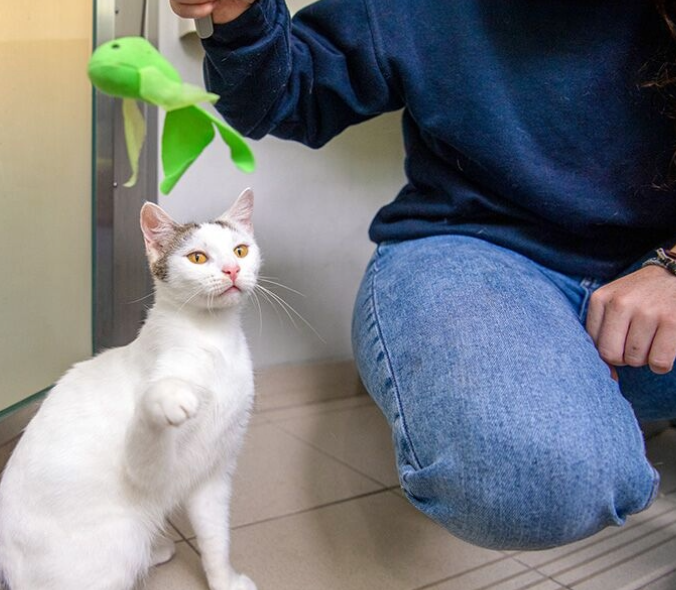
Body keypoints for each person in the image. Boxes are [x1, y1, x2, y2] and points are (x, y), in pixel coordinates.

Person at [169, 0, 676, 550]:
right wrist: (239, 16)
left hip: (656, 267)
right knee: (535, 479)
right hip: (473, 245)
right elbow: (288, 91)